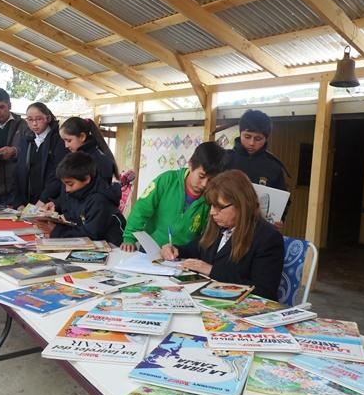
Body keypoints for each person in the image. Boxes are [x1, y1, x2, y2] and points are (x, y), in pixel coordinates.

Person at [161, 170, 284, 300]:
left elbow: (264, 291)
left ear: (240, 204)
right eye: (211, 206)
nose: (212, 212)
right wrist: (176, 250)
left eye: (219, 207)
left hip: (243, 310)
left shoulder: (268, 238)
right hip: (209, 300)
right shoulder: (220, 227)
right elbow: (196, 248)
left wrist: (212, 271)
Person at [121, 142, 225, 252]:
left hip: (181, 256)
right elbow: (141, 208)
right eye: (201, 176)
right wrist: (129, 237)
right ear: (190, 165)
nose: (204, 184)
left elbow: (206, 234)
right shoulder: (167, 180)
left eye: (210, 180)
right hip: (151, 250)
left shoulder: (210, 198)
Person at [35, 152, 126, 246]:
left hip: (114, 247)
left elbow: (91, 235)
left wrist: (56, 230)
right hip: (91, 244)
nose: (67, 189)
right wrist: (55, 205)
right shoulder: (78, 192)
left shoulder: (99, 201)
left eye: (70, 184)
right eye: (64, 184)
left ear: (86, 179)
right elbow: (69, 207)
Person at [223, 109, 291, 229]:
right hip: (223, 228)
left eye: (258, 139)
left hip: (258, 231)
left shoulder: (274, 167)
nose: (251, 143)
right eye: (247, 137)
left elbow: (283, 200)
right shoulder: (225, 159)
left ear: (266, 138)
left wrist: (280, 219)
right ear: (240, 133)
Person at [13, 102, 69, 208]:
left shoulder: (58, 141)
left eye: (39, 119)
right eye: (30, 119)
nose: (34, 124)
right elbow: (19, 171)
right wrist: (19, 202)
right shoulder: (26, 140)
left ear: (48, 118)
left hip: (48, 202)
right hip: (28, 202)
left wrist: (43, 199)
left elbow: (58, 173)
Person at [0, 88, 28, 206]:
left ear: (9, 105)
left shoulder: (23, 125)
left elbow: (34, 150)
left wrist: (15, 151)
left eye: (1, 107)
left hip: (17, 190)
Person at [59, 117, 119, 184]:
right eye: (64, 141)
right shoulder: (75, 157)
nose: (66, 145)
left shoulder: (99, 161)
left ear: (82, 137)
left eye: (69, 140)